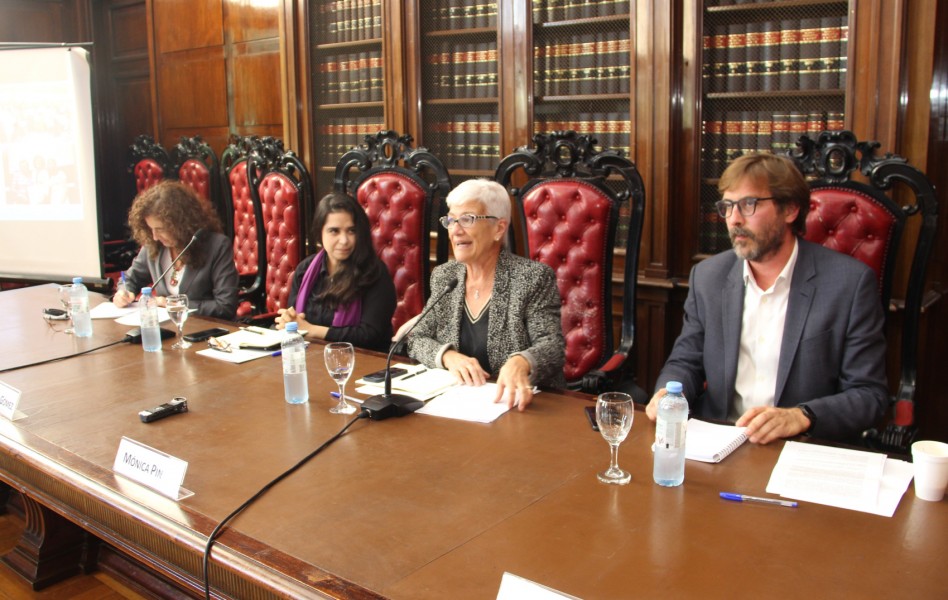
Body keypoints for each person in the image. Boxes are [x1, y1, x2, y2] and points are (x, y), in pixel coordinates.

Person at [647, 153, 888, 444]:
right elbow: (686, 361)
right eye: (727, 206)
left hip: (800, 447)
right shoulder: (708, 277)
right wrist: (668, 394)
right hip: (717, 441)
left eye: (748, 204)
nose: (734, 219)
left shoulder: (849, 284)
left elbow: (868, 395)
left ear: (790, 210)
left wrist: (801, 417)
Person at [406, 179, 565, 411]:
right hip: (458, 407)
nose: (456, 230)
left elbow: (552, 345)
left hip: (520, 406)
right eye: (451, 220)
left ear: (499, 228)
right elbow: (416, 338)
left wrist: (522, 361)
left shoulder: (532, 278)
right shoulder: (445, 276)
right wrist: (448, 357)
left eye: (467, 219)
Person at [275, 192, 395, 352]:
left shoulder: (374, 272)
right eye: (334, 231)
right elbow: (295, 319)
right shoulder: (305, 269)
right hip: (311, 357)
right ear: (320, 233)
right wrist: (288, 322)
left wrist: (312, 330)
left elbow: (370, 335)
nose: (344, 240)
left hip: (364, 362)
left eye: (351, 231)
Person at [114, 180, 239, 319]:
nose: (155, 236)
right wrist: (124, 292)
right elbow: (130, 279)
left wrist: (172, 304)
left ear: (181, 224)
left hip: (204, 330)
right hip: (165, 329)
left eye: (160, 229)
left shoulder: (216, 246)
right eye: (151, 229)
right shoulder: (153, 245)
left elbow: (225, 307)